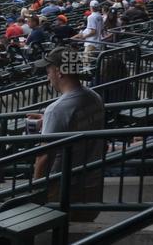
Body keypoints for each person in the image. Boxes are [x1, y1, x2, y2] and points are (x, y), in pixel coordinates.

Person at [31, 46, 105, 221]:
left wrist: (35, 192)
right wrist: (47, 121)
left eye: (48, 70)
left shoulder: (57, 110)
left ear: (59, 71)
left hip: (65, 189)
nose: (47, 75)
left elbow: (43, 157)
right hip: (92, 185)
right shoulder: (94, 97)